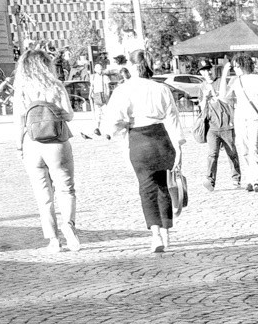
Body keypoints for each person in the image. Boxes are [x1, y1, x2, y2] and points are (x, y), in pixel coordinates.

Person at [98, 55, 182, 253]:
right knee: (164, 185)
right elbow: (173, 117)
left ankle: (155, 235)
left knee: (147, 188)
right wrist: (179, 147)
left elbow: (114, 120)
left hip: (139, 138)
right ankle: (166, 231)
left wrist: (111, 132)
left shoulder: (124, 89)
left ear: (132, 68)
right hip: (162, 137)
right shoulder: (161, 88)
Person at [13, 49, 81, 254]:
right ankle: (68, 225)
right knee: (66, 189)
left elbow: (19, 121)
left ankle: (53, 241)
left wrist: (19, 145)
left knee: (43, 195)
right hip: (57, 141)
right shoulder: (56, 85)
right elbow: (69, 115)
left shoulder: (22, 89)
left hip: (32, 144)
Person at [230, 53, 258, 192]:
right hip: (239, 118)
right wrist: (223, 75)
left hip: (254, 118)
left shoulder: (256, 79)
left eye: (238, 66)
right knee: (244, 150)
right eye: (234, 67)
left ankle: (256, 180)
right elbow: (224, 95)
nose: (236, 69)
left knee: (254, 148)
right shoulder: (235, 81)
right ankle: (249, 179)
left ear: (245, 65)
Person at [200, 61, 241, 190]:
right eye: (204, 70)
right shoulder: (202, 86)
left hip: (226, 124)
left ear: (212, 70)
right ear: (201, 73)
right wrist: (205, 99)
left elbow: (228, 98)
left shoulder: (221, 82)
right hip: (212, 126)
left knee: (231, 152)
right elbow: (201, 108)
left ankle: (236, 178)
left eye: (209, 69)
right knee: (212, 154)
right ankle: (210, 180)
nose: (208, 73)